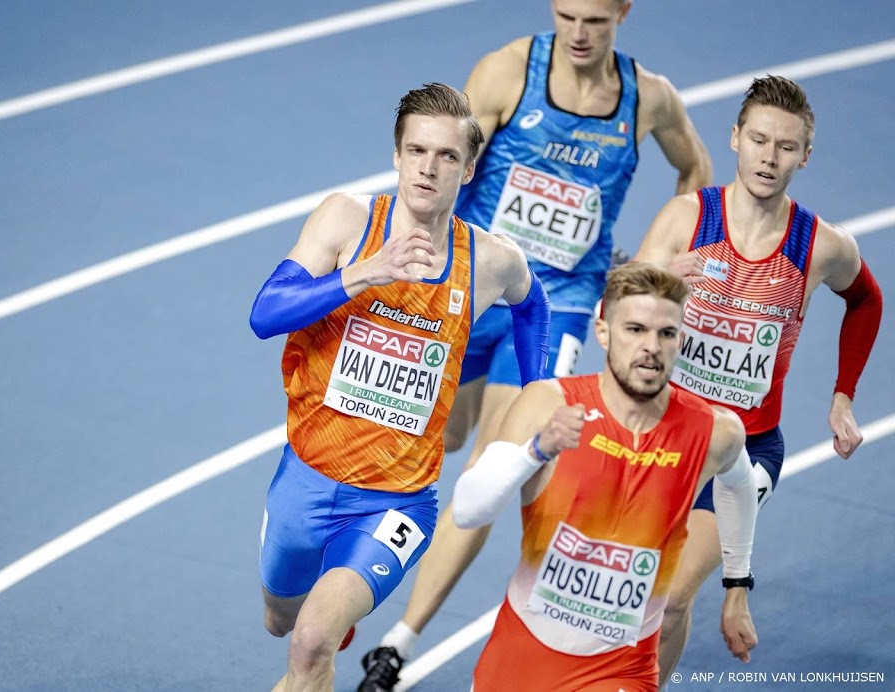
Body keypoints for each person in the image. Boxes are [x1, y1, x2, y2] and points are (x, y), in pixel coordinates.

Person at [359, 1, 712, 687]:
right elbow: (448, 167)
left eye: (595, 21)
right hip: (481, 280)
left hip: (561, 304)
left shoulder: (649, 99)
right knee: (451, 432)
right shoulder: (506, 73)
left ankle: (397, 645)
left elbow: (696, 172)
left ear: (623, 14)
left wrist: (643, 272)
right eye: (566, 15)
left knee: (492, 461)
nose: (578, 34)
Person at [248, 82, 552, 692]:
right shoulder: (348, 220)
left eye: (445, 156)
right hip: (306, 478)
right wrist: (363, 274)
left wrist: (537, 388)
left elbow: (532, 304)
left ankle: (330, 625)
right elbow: (264, 314)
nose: (428, 167)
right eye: (417, 151)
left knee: (309, 645)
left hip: (396, 501)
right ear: (396, 155)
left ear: (468, 169)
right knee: (281, 622)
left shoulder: (490, 261)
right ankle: (328, 620)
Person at [632, 74, 883, 686]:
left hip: (743, 453)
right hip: (660, 436)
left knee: (664, 598)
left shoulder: (820, 246)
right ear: (736, 138)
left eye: (787, 146)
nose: (770, 158)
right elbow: (615, 313)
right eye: (760, 140)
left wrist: (843, 395)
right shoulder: (688, 217)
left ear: (805, 155)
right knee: (639, 600)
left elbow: (867, 301)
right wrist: (658, 277)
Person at [450, 262, 759, 691]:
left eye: (666, 334)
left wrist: (737, 582)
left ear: (680, 341)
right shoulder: (548, 403)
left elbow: (740, 486)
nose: (651, 346)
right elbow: (467, 510)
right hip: (520, 660)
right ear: (603, 332)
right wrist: (536, 450)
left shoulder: (714, 433)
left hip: (622, 672)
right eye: (634, 329)